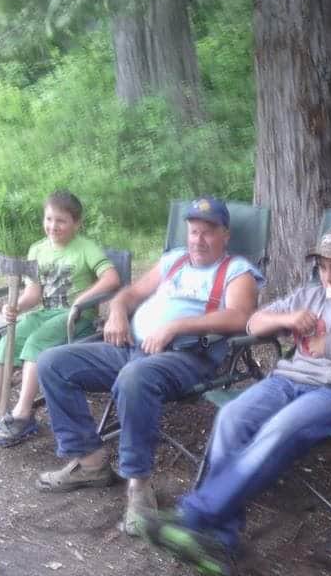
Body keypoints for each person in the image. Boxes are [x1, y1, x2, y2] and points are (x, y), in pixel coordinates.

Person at [142, 228, 331, 576]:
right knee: (232, 416)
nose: (328, 276)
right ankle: (221, 539)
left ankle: (195, 515)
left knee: (280, 428)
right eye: (323, 267)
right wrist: (285, 319)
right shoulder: (311, 294)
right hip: (289, 381)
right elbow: (254, 322)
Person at [33, 197, 264, 534]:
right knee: (52, 362)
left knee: (134, 377)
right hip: (133, 347)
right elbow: (130, 293)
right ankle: (90, 461)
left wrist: (176, 326)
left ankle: (139, 485)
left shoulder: (236, 271)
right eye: (194, 231)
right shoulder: (174, 260)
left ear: (225, 235)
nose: (198, 239)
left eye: (208, 232)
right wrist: (117, 312)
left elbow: (240, 317)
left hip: (186, 357)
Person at [0, 191, 121, 447]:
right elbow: (34, 293)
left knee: (36, 342)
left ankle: (22, 415)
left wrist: (82, 300)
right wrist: (16, 306)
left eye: (61, 221)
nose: (53, 226)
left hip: (76, 318)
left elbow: (111, 278)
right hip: (45, 313)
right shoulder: (37, 249)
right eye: (49, 219)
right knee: (7, 342)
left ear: (76, 223)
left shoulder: (86, 248)